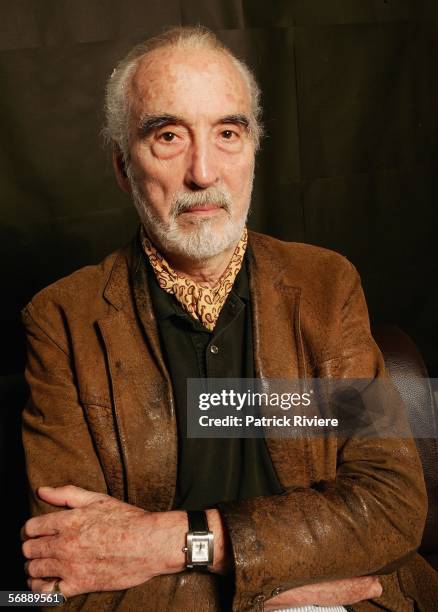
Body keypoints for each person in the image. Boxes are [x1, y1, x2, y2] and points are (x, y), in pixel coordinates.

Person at [19, 26, 433, 612]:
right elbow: (64, 569)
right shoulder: (61, 319)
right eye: (168, 136)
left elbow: (391, 506)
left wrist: (176, 540)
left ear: (254, 149)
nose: (204, 173)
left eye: (228, 133)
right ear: (122, 167)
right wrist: (273, 590)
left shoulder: (325, 285)